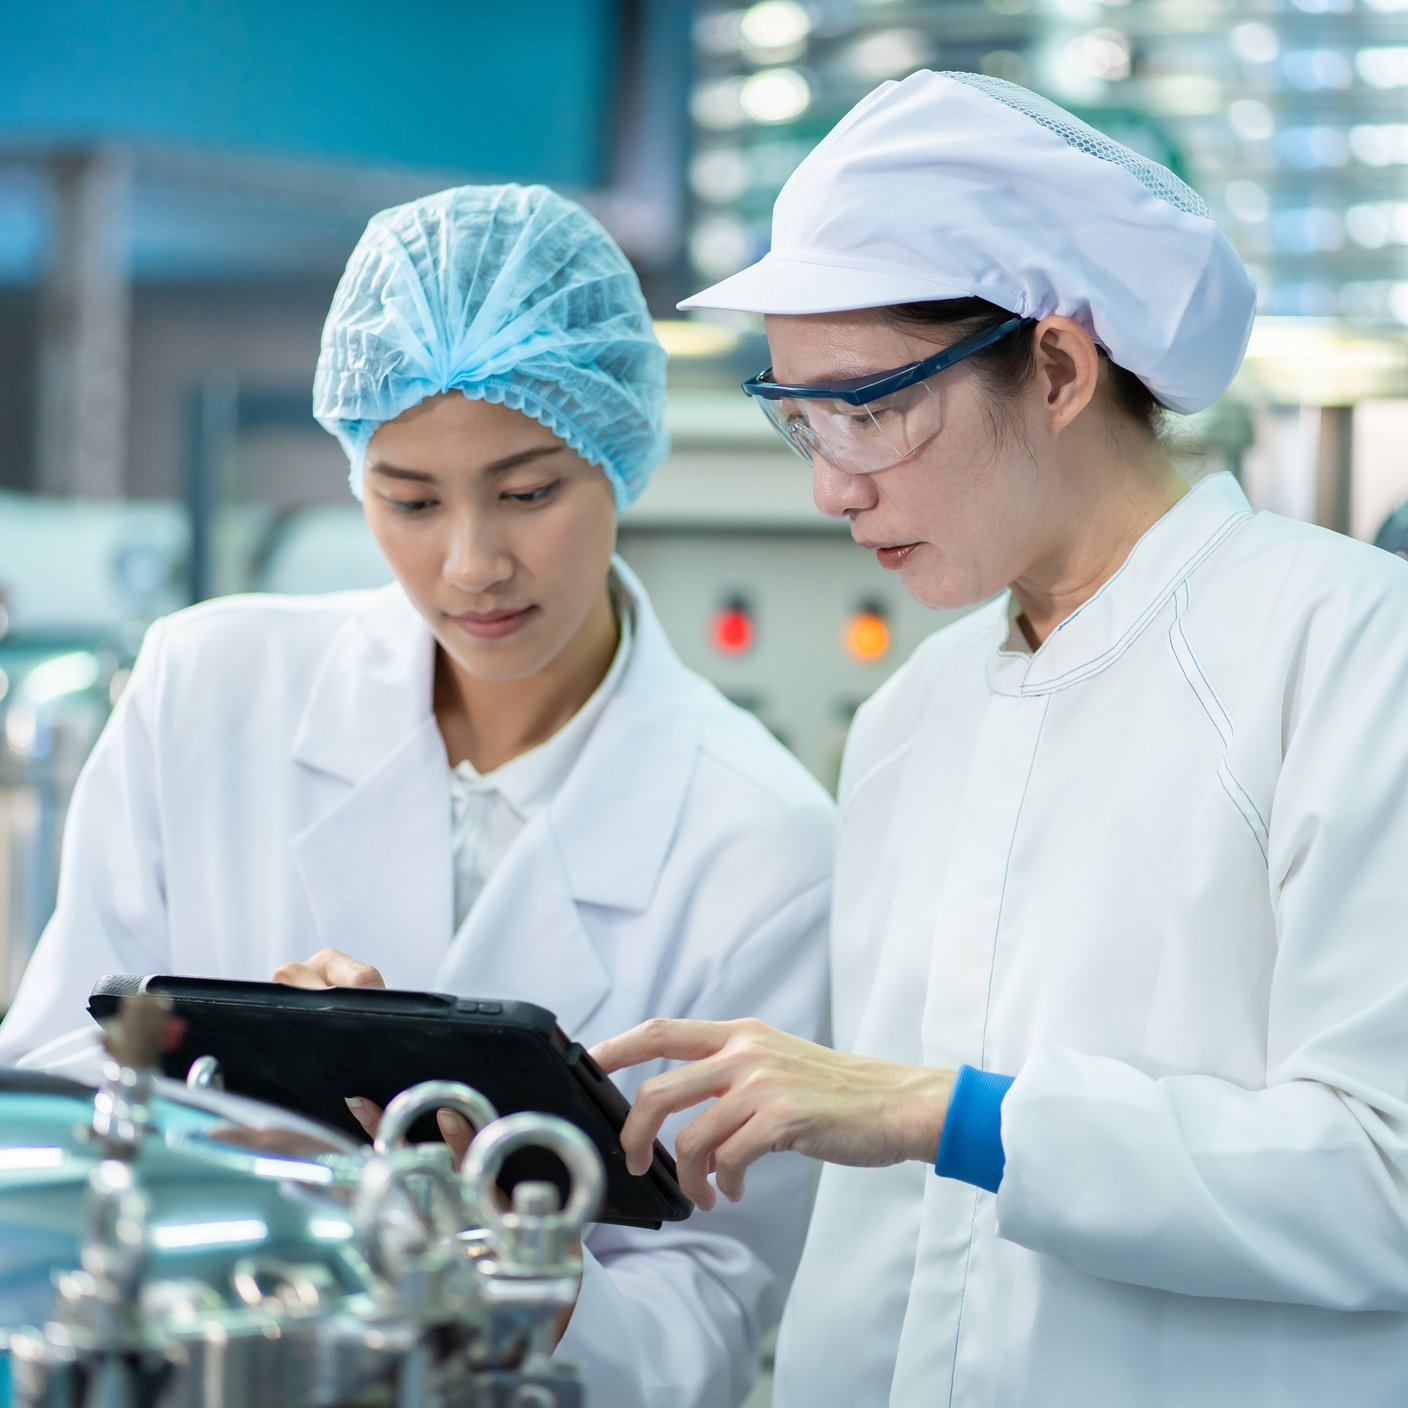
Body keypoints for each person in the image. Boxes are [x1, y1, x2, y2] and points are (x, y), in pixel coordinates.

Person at [591, 71, 1408, 1408]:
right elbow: (886, 1259)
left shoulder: (1349, 649)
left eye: (871, 408)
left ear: (1062, 367)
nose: (830, 484)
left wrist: (948, 1113)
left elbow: (1388, 1180)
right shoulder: (916, 716)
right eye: (797, 416)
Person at [0, 183, 835, 1408]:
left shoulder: (763, 845)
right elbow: (56, 1094)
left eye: (529, 491)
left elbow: (710, 1307)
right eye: (409, 498)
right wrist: (233, 1088)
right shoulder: (206, 688)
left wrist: (529, 1267)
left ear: (617, 449)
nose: (469, 563)